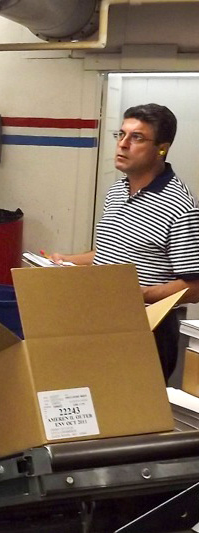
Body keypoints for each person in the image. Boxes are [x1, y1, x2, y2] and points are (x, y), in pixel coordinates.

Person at [52, 103, 199, 382]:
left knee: (132, 416)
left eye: (137, 138)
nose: (123, 144)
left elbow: (194, 286)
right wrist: (66, 260)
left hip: (147, 327)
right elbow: (112, 252)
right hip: (99, 317)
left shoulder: (181, 206)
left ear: (162, 149)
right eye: (120, 135)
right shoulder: (117, 190)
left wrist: (139, 294)